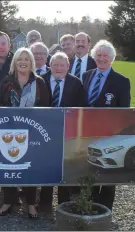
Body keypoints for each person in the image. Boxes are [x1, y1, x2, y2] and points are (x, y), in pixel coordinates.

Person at [0, 47, 50, 219]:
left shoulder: (39, 82)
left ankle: (31, 203)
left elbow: (46, 108)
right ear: (15, 62)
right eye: (20, 59)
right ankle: (8, 200)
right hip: (8, 131)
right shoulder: (6, 82)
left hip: (32, 132)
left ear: (31, 62)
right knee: (8, 164)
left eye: (26, 59)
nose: (23, 62)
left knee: (30, 166)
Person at [82, 40, 131, 211]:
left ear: (111, 58)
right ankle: (89, 203)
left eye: (105, 56)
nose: (101, 59)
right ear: (94, 57)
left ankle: (105, 209)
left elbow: (125, 112)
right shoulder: (86, 76)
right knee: (92, 165)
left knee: (110, 171)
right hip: (89, 132)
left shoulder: (122, 81)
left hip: (110, 133)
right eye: (99, 55)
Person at [39, 52, 87, 211]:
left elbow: (82, 108)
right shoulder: (40, 81)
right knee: (46, 164)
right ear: (50, 65)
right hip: (44, 130)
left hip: (67, 131)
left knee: (64, 165)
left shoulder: (76, 83)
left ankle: (63, 202)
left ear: (68, 66)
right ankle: (45, 202)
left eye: (62, 65)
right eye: (55, 65)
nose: (59, 68)